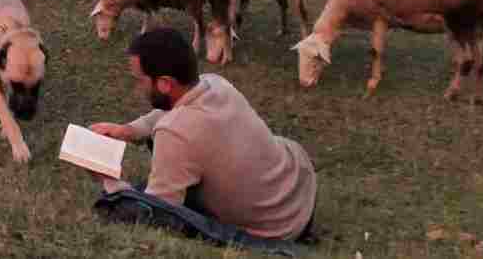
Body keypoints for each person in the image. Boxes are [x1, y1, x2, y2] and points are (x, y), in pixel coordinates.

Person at [89, 27, 317, 244]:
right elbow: (169, 110)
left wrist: (109, 180)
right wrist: (127, 131)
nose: (138, 87)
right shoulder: (214, 83)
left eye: (140, 80)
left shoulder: (175, 131)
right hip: (299, 191)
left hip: (279, 227)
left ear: (165, 83)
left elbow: (157, 212)